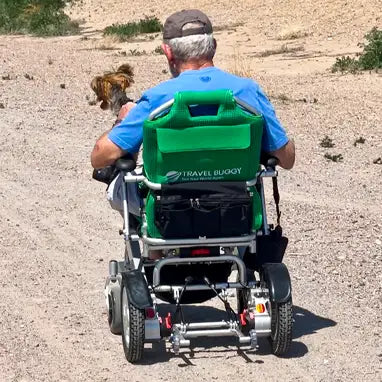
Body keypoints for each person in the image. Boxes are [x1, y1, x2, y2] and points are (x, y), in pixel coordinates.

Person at [91, 9, 295, 215]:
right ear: (213, 47)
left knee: (120, 185)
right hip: (237, 209)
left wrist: (122, 121)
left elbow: (100, 157)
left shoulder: (158, 98)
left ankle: (155, 248)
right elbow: (287, 159)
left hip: (169, 211)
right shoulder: (247, 92)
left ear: (168, 52)